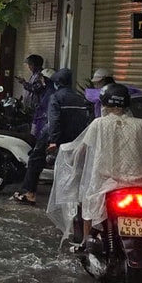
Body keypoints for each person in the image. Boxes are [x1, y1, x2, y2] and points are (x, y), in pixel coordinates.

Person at [48, 81, 142, 250]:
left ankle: (84, 244)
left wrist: (68, 158)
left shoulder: (98, 124)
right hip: (140, 184)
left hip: (106, 184)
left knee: (88, 203)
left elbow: (80, 150)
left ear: (103, 104)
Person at [12, 68, 90, 205]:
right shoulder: (79, 98)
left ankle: (29, 193)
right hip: (75, 137)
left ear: (57, 82)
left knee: (35, 159)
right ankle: (71, 199)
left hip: (55, 134)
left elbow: (54, 119)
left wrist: (53, 140)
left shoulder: (56, 97)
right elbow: (85, 119)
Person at [18, 55, 49, 138]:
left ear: (35, 65)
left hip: (37, 109)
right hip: (31, 108)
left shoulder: (40, 75)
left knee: (35, 131)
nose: (29, 67)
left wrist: (24, 83)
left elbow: (36, 88)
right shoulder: (34, 75)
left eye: (30, 64)